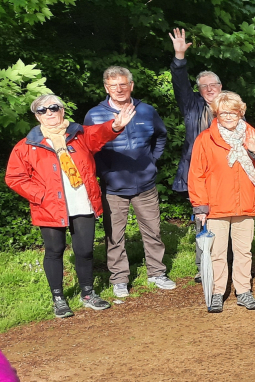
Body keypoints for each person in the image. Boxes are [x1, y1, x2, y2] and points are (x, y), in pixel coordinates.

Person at [7, 94, 137, 318]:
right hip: (49, 207)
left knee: (85, 251)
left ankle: (87, 293)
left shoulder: (78, 135)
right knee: (54, 251)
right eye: (42, 110)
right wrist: (41, 195)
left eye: (53, 108)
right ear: (37, 116)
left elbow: (99, 134)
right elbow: (15, 177)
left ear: (62, 110)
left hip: (82, 203)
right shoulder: (27, 146)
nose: (49, 113)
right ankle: (58, 298)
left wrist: (115, 125)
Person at [83, 66, 173, 297]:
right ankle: (119, 279)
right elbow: (89, 148)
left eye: (123, 84)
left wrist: (151, 161)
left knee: (153, 231)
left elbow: (161, 135)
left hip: (145, 184)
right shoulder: (94, 114)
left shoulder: (147, 111)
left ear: (131, 86)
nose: (119, 89)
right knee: (114, 235)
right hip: (113, 186)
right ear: (106, 88)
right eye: (113, 86)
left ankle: (156, 273)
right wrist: (105, 172)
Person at [189, 91, 255, 313]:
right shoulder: (205, 139)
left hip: (245, 203)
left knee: (243, 251)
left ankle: (244, 291)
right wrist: (200, 207)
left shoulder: (251, 134)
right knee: (217, 252)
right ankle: (218, 292)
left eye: (233, 112)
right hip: (216, 206)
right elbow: (196, 175)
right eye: (224, 113)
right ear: (216, 113)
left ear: (241, 113)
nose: (229, 117)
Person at [169, 28, 228, 281]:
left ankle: (226, 262)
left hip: (227, 171)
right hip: (198, 173)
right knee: (202, 218)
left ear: (220, 87)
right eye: (204, 86)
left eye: (213, 85)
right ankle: (203, 265)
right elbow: (180, 84)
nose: (209, 89)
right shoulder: (191, 104)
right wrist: (179, 57)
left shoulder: (232, 107)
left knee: (227, 218)